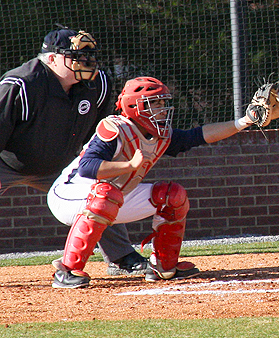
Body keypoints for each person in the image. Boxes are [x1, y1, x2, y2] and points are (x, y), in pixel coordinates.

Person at [47, 76, 262, 288]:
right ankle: (67, 270)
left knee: (173, 196)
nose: (162, 109)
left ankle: (164, 267)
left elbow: (197, 136)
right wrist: (129, 166)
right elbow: (88, 168)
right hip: (69, 194)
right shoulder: (115, 127)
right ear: (134, 106)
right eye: (155, 103)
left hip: (112, 197)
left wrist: (244, 121)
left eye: (162, 103)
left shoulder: (160, 134)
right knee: (106, 194)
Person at [0, 27, 148, 276]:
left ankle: (121, 256)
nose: (86, 63)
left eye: (88, 56)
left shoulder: (98, 83)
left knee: (100, 190)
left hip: (61, 163)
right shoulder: (20, 85)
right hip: (7, 163)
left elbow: (98, 133)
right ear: (52, 59)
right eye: (76, 57)